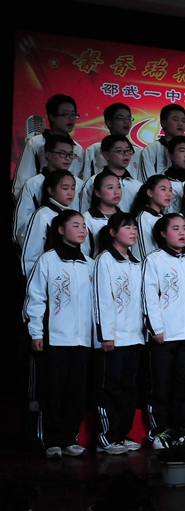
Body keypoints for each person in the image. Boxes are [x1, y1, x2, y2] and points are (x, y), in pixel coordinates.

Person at [25, 210, 93, 459]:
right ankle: (51, 441)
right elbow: (35, 299)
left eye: (84, 226)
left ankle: (70, 439)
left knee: (76, 393)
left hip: (83, 339)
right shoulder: (48, 261)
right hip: (55, 338)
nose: (82, 230)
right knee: (53, 391)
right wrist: (36, 332)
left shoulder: (90, 264)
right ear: (61, 230)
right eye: (76, 225)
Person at [142, 213, 185, 449]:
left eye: (184, 228)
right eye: (175, 228)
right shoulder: (154, 260)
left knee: (184, 386)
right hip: (164, 335)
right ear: (163, 233)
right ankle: (160, 433)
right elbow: (149, 296)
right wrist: (156, 327)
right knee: (161, 386)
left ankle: (182, 430)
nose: (182, 232)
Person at [92, 212, 144, 455]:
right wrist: (106, 335)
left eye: (134, 227)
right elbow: (102, 299)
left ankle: (122, 435)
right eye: (127, 227)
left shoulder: (136, 263)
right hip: (113, 339)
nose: (133, 231)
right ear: (112, 233)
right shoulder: (104, 260)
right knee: (109, 389)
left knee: (129, 389)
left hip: (134, 337)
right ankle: (106, 437)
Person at [14, 135, 84, 247]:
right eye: (62, 153)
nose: (67, 158)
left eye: (71, 154)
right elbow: (22, 222)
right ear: (48, 155)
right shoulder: (34, 184)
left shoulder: (80, 184)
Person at [13, 94, 85, 199]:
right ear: (52, 116)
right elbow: (22, 181)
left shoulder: (78, 149)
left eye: (73, 115)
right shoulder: (36, 143)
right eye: (65, 114)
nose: (71, 119)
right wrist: (26, 204)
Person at [80, 134, 141, 214]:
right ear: (106, 155)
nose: (126, 154)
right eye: (119, 151)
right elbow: (85, 212)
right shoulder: (93, 182)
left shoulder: (137, 185)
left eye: (128, 150)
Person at [82, 103, 141, 181]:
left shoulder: (138, 151)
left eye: (128, 118)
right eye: (121, 118)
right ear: (109, 123)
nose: (126, 121)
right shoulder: (94, 149)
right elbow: (86, 178)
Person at [139, 104, 185, 180]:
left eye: (183, 121)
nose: (180, 124)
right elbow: (147, 181)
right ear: (163, 123)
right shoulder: (151, 149)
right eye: (175, 119)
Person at [132, 175, 173, 261]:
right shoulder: (144, 218)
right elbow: (144, 255)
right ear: (150, 193)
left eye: (170, 190)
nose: (168, 194)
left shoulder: (163, 217)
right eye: (163, 189)